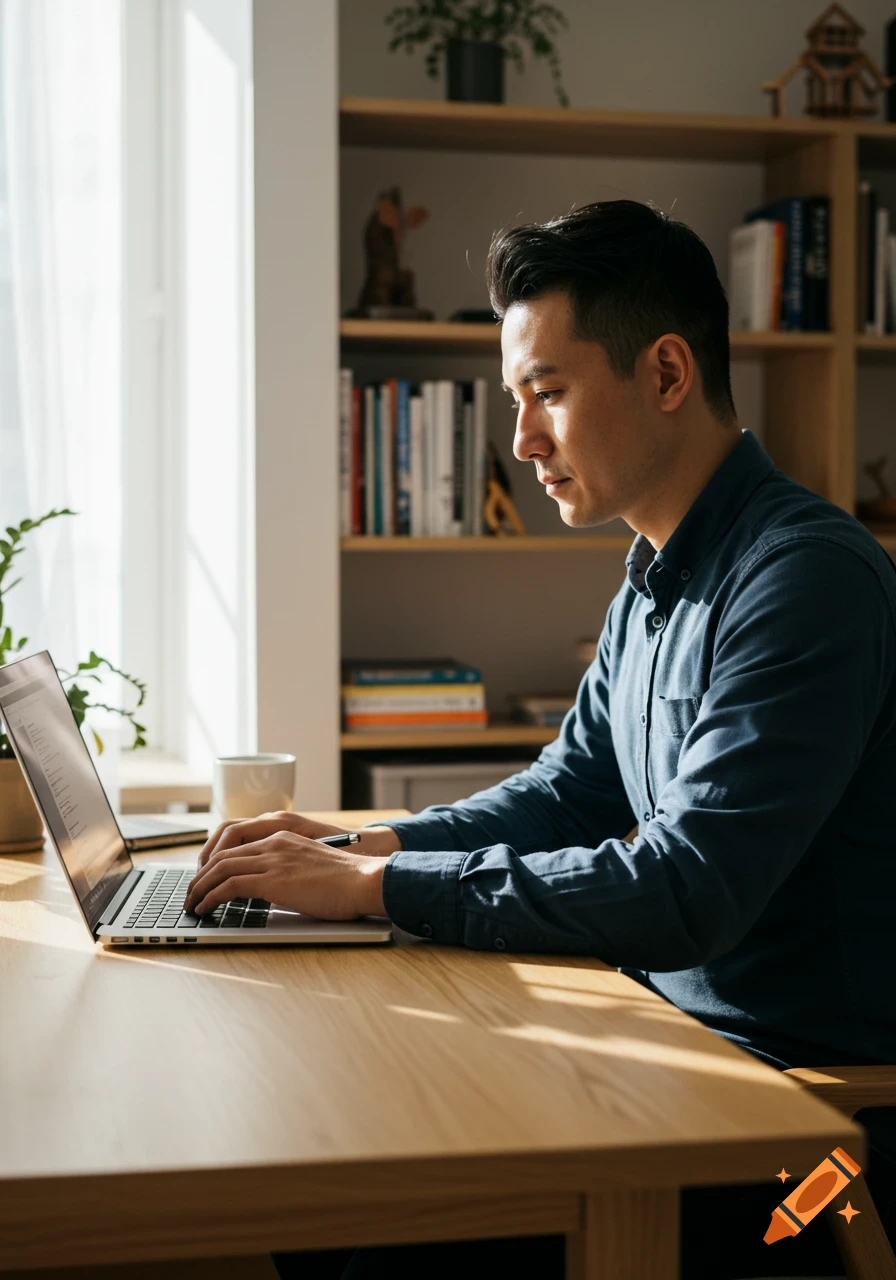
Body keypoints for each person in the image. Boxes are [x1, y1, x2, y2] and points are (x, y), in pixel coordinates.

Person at [184, 200, 896, 1279]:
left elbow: (685, 889)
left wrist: (381, 891)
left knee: (342, 1222)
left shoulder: (805, 578)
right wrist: (363, 846)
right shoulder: (654, 576)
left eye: (546, 394)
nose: (519, 442)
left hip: (807, 1153)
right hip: (677, 1072)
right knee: (329, 1134)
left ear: (665, 373)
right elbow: (567, 790)